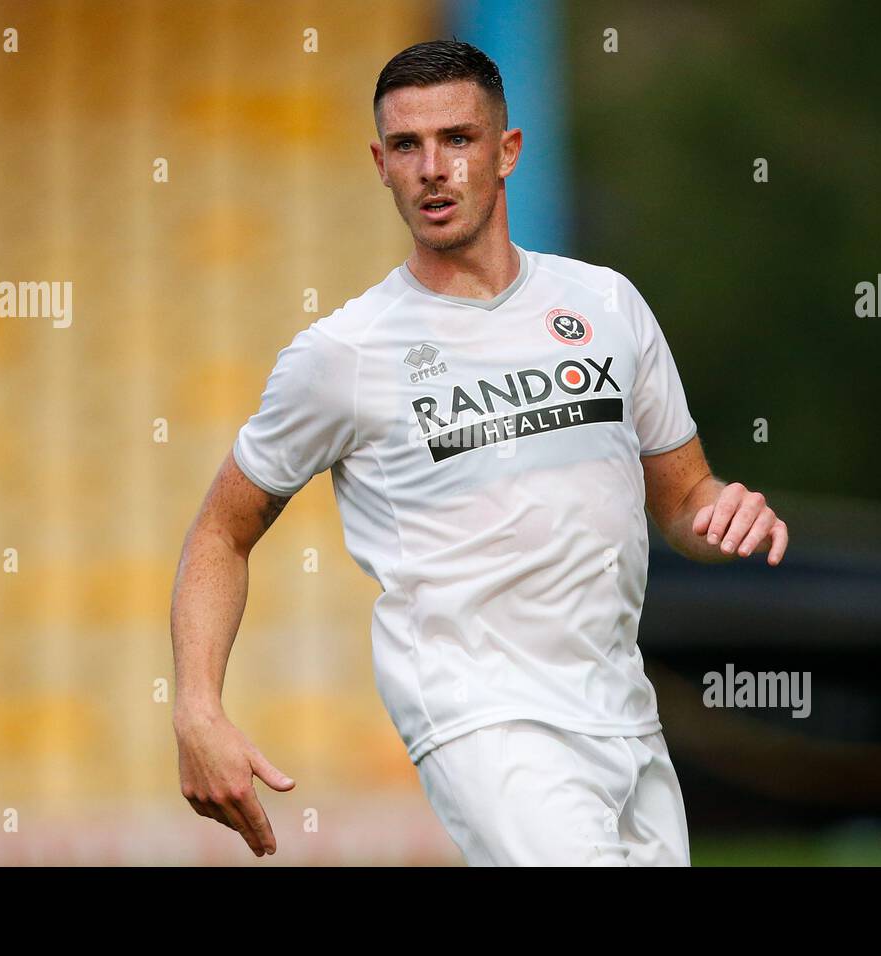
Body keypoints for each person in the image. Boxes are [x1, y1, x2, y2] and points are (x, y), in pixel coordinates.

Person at [170, 39, 788, 866]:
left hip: (622, 709)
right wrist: (197, 710)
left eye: (457, 140)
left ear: (507, 152)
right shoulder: (344, 353)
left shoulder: (606, 303)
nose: (432, 167)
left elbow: (683, 502)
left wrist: (726, 518)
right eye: (406, 146)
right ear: (379, 165)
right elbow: (221, 532)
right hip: (483, 721)